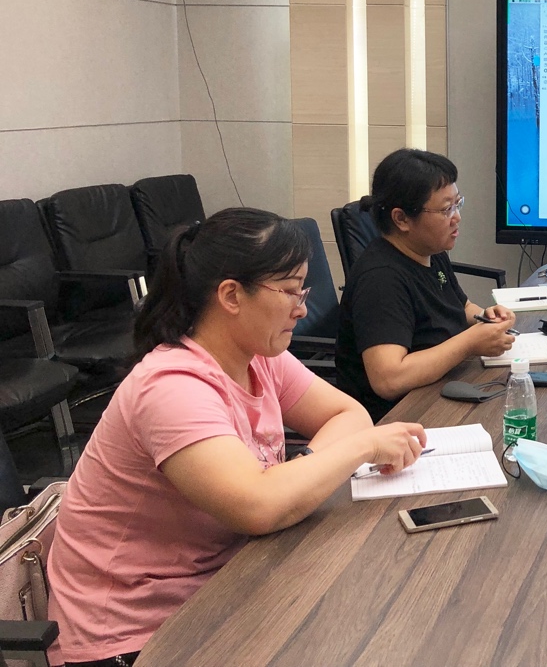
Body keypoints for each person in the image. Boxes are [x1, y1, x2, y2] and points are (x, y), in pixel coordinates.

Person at [46, 208, 428, 667]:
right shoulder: (172, 387)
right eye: (290, 290)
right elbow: (258, 507)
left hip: (223, 581)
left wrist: (299, 470)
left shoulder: (258, 354)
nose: (302, 308)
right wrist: (358, 450)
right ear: (231, 295)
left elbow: (350, 414)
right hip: (132, 633)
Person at [335, 149, 517, 422]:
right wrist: (470, 342)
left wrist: (486, 316)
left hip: (442, 387)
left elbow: (460, 306)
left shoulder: (430, 250)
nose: (457, 217)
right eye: (446, 209)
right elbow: (388, 379)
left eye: (457, 203)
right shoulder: (381, 279)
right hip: (400, 417)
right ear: (401, 219)